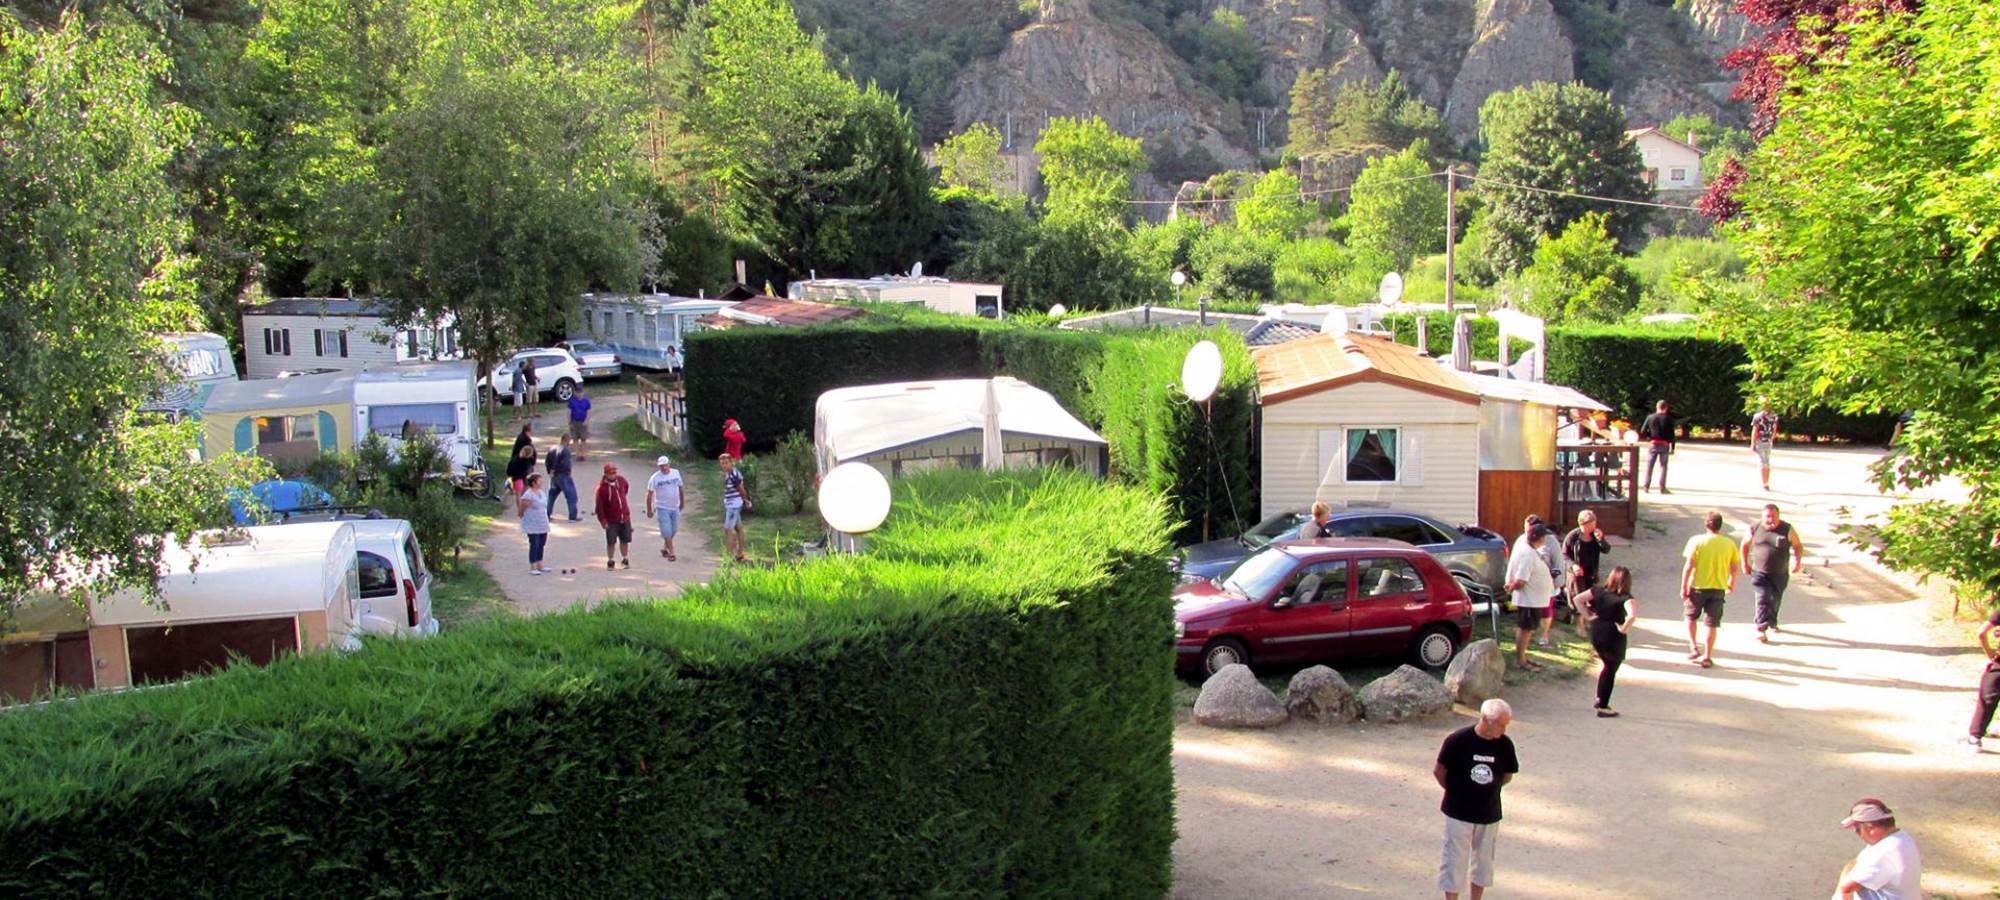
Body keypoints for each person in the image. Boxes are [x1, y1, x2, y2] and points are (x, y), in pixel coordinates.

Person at [1434, 699, 1518, 900]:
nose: (1504, 730)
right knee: (1454, 859)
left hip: (1489, 812)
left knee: (1483, 863)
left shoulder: (1505, 745)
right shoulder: (1457, 740)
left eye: (1506, 725)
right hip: (1458, 811)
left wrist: (1489, 790)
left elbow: (1507, 774)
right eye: (1501, 724)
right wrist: (1456, 791)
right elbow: (1439, 771)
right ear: (1486, 720)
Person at [1681, 509, 1740, 668]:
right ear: (1721, 526)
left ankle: (1693, 647)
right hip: (1718, 587)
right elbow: (1734, 568)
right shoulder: (1729, 544)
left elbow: (1689, 566)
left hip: (1698, 586)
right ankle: (1707, 656)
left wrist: (1684, 586)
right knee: (1711, 624)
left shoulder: (1696, 541)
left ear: (1706, 524)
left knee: (1690, 617)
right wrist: (1731, 583)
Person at [1575, 565, 1638, 717]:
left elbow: (1578, 600)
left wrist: (1588, 616)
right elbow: (1632, 615)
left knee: (1606, 666)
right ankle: (1603, 705)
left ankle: (1599, 698)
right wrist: (1623, 629)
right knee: (1611, 669)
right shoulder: (1626, 598)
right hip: (1613, 634)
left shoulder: (1597, 591)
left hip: (1598, 630)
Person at [1832, 799, 1923, 900]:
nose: (1856, 832)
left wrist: (1840, 894)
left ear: (1871, 828)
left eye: (1857, 829)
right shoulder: (1902, 837)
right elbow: (1855, 863)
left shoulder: (1881, 854)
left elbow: (1846, 887)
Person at [1742, 503, 1805, 643]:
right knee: (1763, 598)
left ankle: (1772, 621)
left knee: (1775, 599)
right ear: (1762, 516)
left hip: (1780, 573)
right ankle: (1761, 628)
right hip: (1760, 573)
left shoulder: (1787, 529)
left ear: (1779, 516)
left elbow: (1797, 546)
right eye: (1767, 516)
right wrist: (1744, 563)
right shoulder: (1754, 528)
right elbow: (1744, 545)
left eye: (1773, 516)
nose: (1770, 520)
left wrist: (1797, 562)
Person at [1503, 526, 1555, 671]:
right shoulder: (1527, 554)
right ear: (1540, 538)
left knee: (1528, 628)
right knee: (1525, 628)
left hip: (1534, 599)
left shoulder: (1531, 551)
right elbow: (1521, 580)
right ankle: (1520, 660)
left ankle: (1524, 657)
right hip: (1529, 600)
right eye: (1544, 537)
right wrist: (1511, 586)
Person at [1563, 511, 1612, 628]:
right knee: (1578, 595)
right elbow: (1564, 555)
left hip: (1591, 572)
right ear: (1582, 524)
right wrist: (1573, 565)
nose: (1592, 527)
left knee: (1592, 597)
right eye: (1590, 525)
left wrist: (1601, 539)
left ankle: (1590, 621)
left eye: (1594, 524)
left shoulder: (1595, 535)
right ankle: (1579, 625)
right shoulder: (1573, 537)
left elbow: (1606, 549)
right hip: (1576, 573)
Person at [644, 455, 684, 561]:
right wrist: (649, 509)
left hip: (674, 506)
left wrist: (682, 502)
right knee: (667, 530)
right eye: (661, 466)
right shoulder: (655, 478)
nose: (664, 468)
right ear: (659, 466)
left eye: (665, 465)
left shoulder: (676, 473)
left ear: (668, 464)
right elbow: (649, 494)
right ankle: (672, 553)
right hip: (662, 507)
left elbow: (680, 488)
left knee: (673, 529)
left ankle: (664, 548)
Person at [594, 462, 633, 571]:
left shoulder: (621, 480)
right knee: (611, 541)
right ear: (605, 474)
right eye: (611, 473)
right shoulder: (601, 488)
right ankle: (610, 560)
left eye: (614, 472)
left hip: (624, 517)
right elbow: (599, 507)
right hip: (611, 520)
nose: (613, 475)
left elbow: (626, 488)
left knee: (625, 540)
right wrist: (603, 521)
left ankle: (625, 558)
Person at [1640, 400, 1678, 493]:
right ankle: (1662, 487)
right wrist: (1672, 447)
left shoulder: (1650, 417)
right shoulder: (1669, 419)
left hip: (1653, 444)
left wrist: (1649, 439)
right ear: (1666, 408)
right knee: (1663, 466)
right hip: (1664, 444)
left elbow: (1643, 431)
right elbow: (1672, 435)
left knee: (1650, 466)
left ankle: (1646, 486)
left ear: (1657, 407)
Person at [720, 451, 751, 563]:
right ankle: (739, 553)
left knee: (728, 529)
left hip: (734, 505)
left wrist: (745, 500)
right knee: (739, 529)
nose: (724, 465)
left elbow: (741, 488)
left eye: (726, 463)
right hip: (730, 504)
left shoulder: (734, 474)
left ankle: (729, 556)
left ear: (731, 463)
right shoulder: (728, 474)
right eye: (722, 463)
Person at [518, 473, 551, 576]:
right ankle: (533, 565)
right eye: (539, 481)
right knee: (535, 543)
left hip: (542, 522)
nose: (541, 482)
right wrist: (523, 516)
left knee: (542, 543)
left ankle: (540, 564)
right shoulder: (528, 494)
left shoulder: (541, 492)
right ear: (533, 483)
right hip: (532, 523)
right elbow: (522, 508)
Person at [544, 434, 578, 521]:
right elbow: (564, 463)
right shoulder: (565, 450)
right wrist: (566, 472)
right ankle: (572, 516)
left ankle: (546, 514)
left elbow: (547, 461)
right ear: (566, 440)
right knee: (571, 495)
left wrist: (550, 471)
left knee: (551, 495)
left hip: (554, 476)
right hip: (563, 475)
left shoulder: (552, 448)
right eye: (569, 441)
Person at [1750, 396, 1780, 491]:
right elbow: (1775, 429)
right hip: (1768, 440)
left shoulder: (1757, 416)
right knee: (1767, 461)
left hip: (1760, 440)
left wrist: (1752, 444)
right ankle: (1766, 482)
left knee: (1762, 462)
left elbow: (1755, 430)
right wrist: (1772, 437)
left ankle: (1764, 483)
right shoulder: (1774, 416)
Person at [568, 386, 592, 461]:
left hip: (583, 422)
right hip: (574, 422)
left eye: (581, 392)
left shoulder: (586, 401)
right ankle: (577, 454)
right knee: (575, 439)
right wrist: (569, 422)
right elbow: (569, 412)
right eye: (578, 393)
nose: (579, 394)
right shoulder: (572, 402)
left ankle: (584, 455)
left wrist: (586, 421)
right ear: (575, 393)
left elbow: (589, 412)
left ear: (583, 392)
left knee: (583, 439)